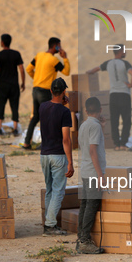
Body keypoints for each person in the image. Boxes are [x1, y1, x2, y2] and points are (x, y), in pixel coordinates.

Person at [39, 78, 74, 236]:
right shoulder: (65, 112)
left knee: (50, 190)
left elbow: (52, 111)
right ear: (64, 92)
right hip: (58, 156)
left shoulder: (42, 107)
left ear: (51, 91)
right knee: (58, 191)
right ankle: (50, 225)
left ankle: (48, 222)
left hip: (44, 155)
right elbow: (66, 139)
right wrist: (70, 162)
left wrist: (61, 104)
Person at [22, 37, 70, 149]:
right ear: (55, 46)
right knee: (47, 117)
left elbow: (29, 69)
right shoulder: (54, 60)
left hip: (35, 89)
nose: (60, 48)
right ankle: (45, 143)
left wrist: (37, 79)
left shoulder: (39, 55)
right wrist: (65, 58)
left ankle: (26, 142)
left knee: (35, 117)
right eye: (59, 46)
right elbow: (66, 72)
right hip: (45, 91)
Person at [86, 44, 132, 151]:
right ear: (121, 51)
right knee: (126, 120)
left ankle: (116, 145)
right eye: (124, 50)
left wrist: (88, 73)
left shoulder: (108, 63)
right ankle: (123, 144)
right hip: (124, 94)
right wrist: (130, 84)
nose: (125, 52)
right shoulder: (125, 63)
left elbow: (95, 69)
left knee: (114, 120)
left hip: (113, 95)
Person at [76, 96, 106, 254]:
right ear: (100, 110)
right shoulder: (95, 127)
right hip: (93, 172)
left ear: (86, 111)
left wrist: (102, 126)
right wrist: (101, 175)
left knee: (85, 205)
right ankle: (85, 241)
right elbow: (93, 150)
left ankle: (80, 238)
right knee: (91, 206)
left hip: (86, 170)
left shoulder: (84, 125)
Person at [0, 34, 25, 136]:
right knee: (14, 106)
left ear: (2, 42)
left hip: (2, 85)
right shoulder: (16, 54)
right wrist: (23, 82)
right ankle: (15, 128)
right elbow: (21, 69)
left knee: (0, 106)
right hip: (14, 85)